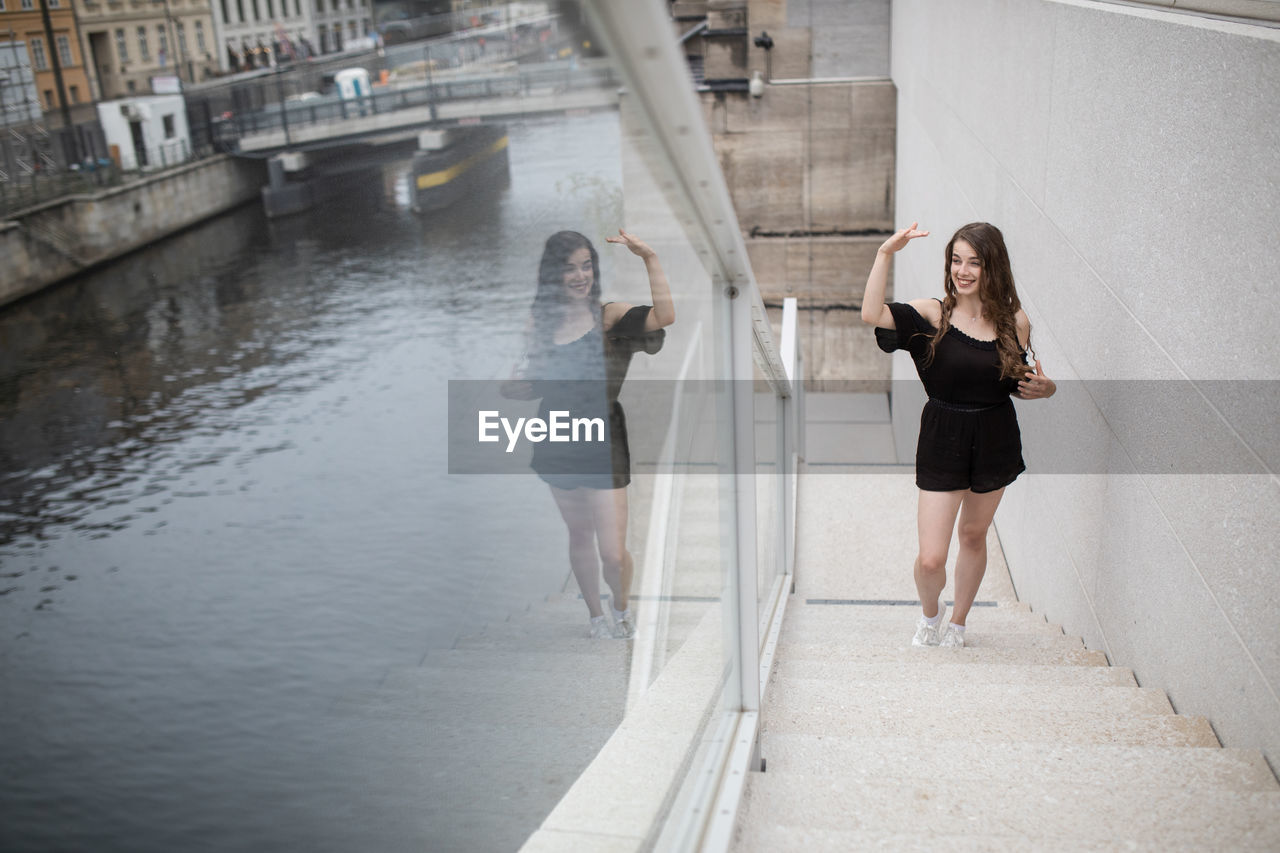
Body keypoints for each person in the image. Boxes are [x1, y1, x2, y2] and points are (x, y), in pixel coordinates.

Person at [861, 221, 1055, 648]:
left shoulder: (1014, 321)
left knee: (973, 535)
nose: (962, 270)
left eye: (974, 262)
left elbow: (1014, 382)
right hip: (942, 437)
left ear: (993, 268)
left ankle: (960, 624)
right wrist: (884, 254)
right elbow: (871, 314)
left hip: (994, 436)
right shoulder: (933, 313)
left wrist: (1047, 389)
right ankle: (931, 616)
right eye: (956, 260)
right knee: (931, 558)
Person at [506, 229, 675, 639]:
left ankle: (621, 609)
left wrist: (649, 257)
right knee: (579, 535)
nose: (580, 275)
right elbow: (528, 379)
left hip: (605, 442)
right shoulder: (538, 325)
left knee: (613, 553)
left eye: (586, 265)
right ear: (553, 275)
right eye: (569, 268)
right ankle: (595, 618)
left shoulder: (610, 316)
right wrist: (517, 387)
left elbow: (664, 317)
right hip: (558, 439)